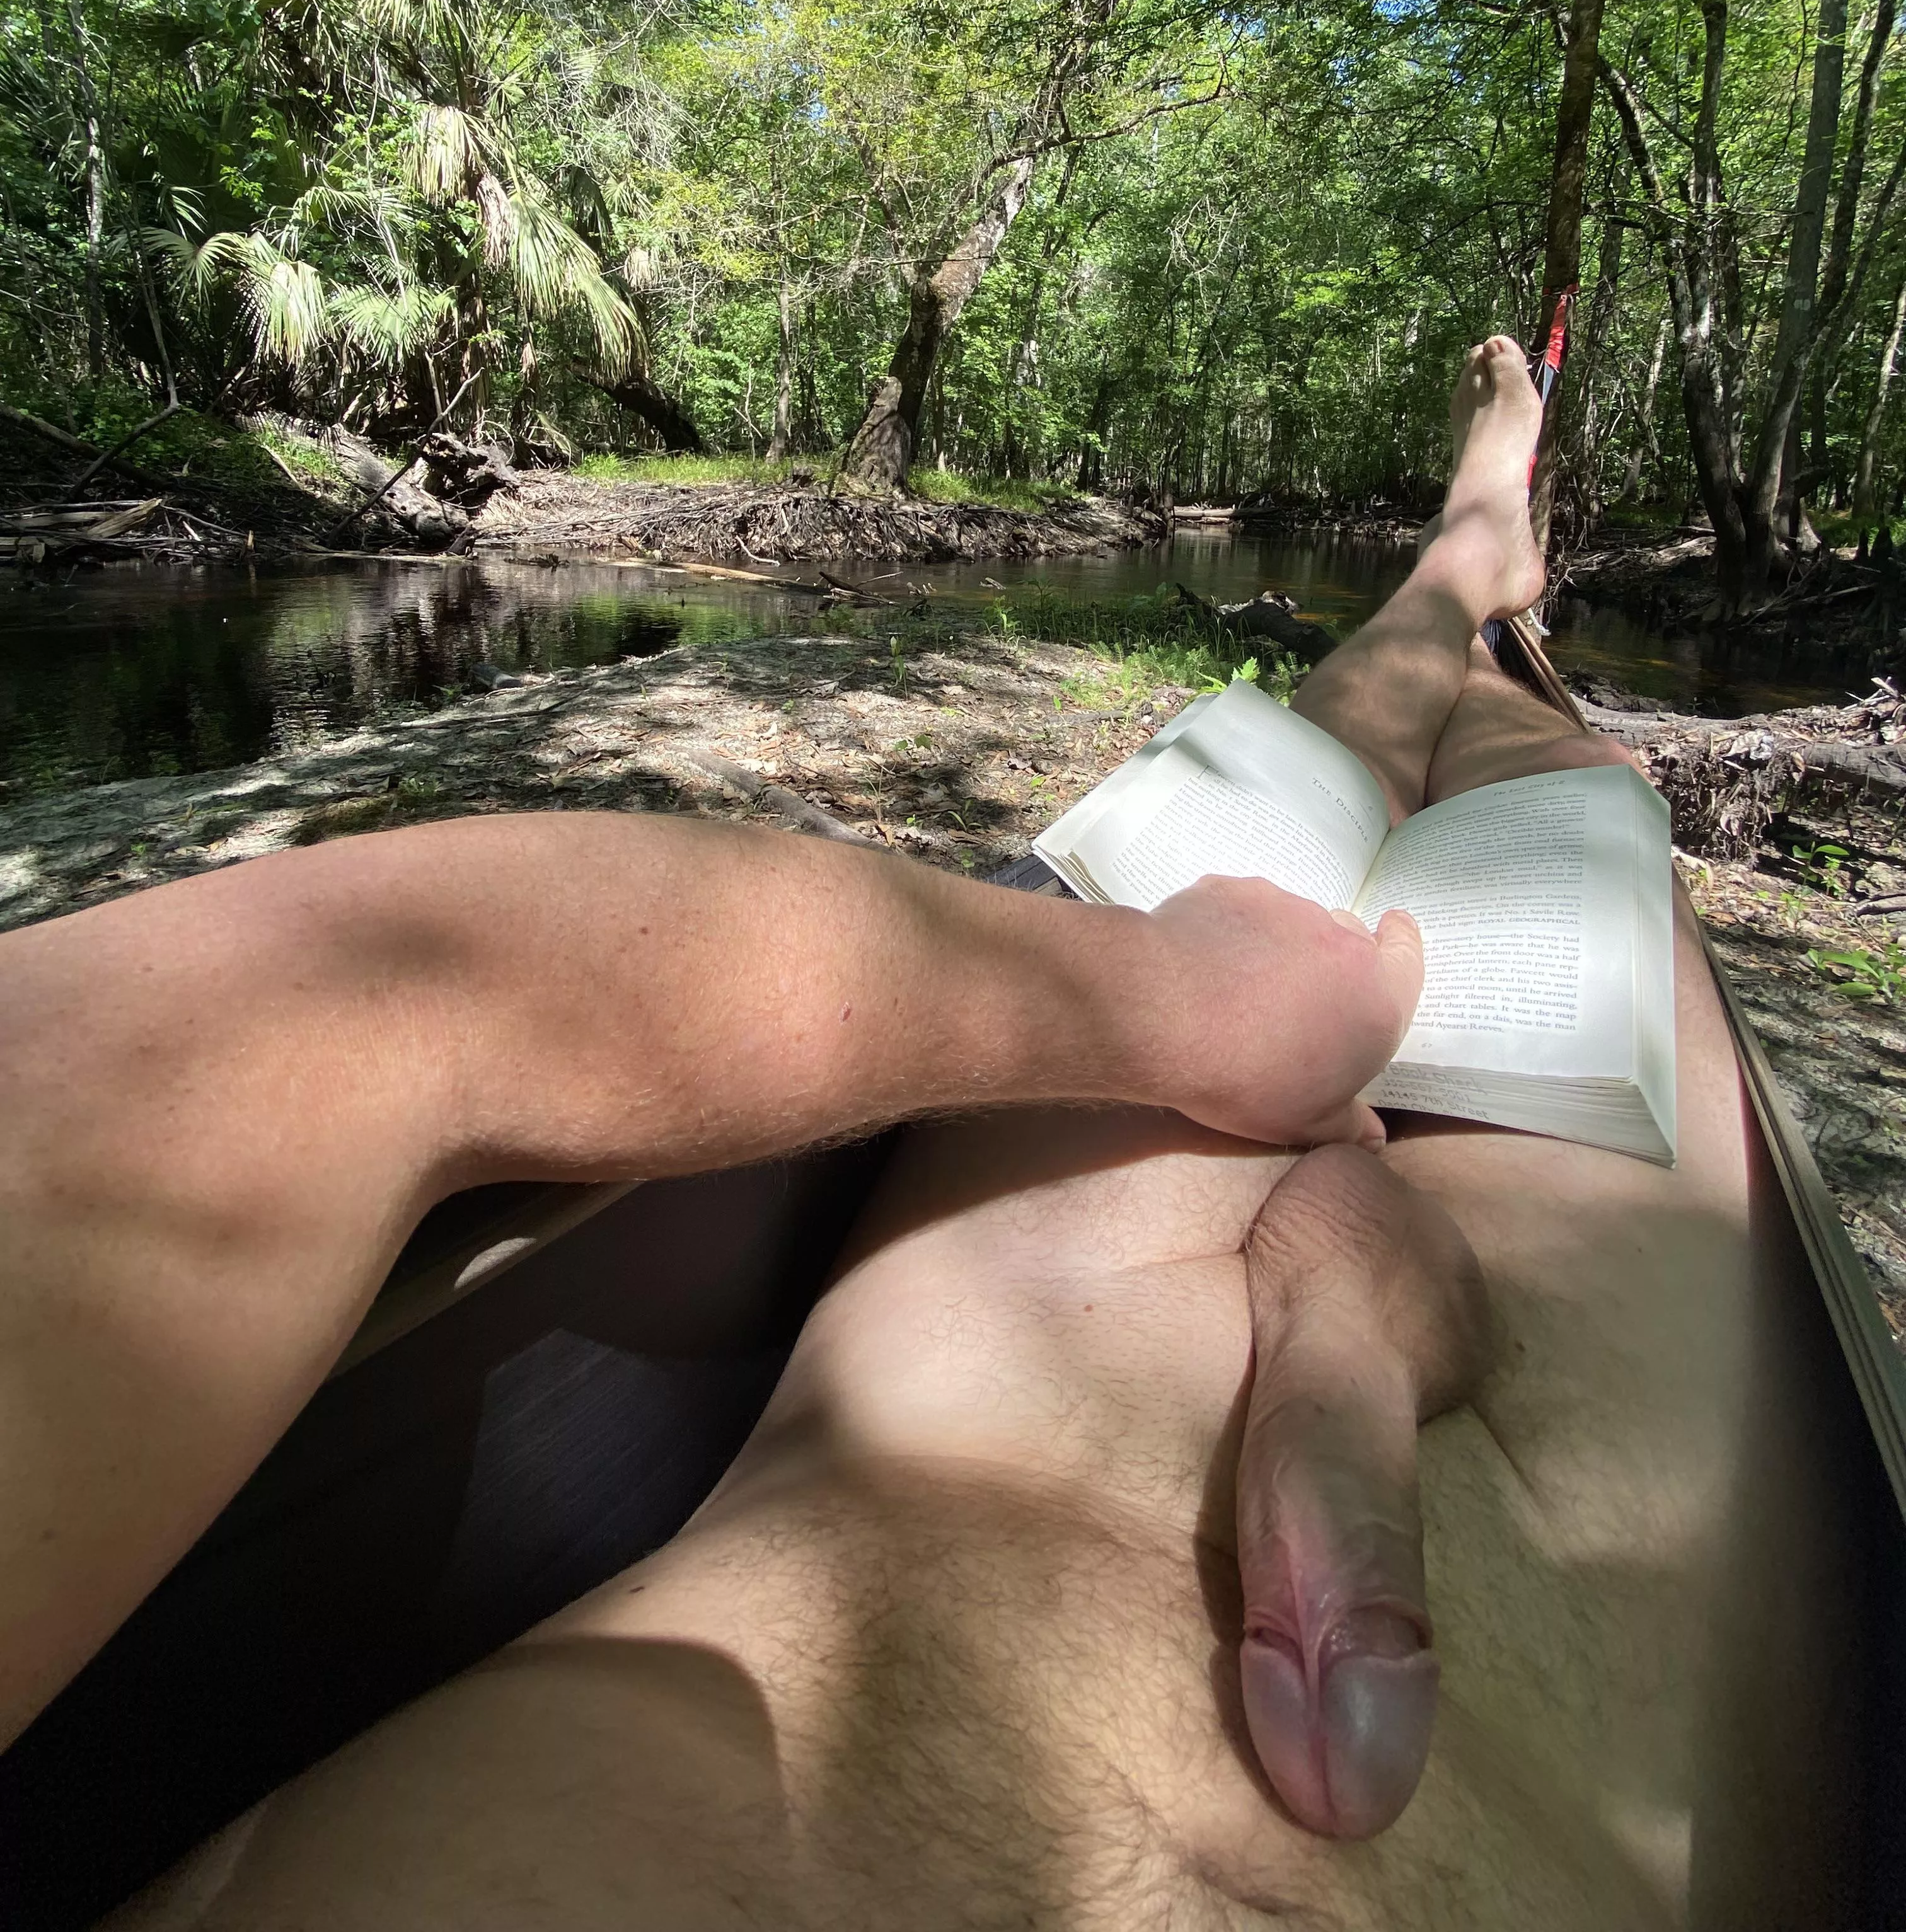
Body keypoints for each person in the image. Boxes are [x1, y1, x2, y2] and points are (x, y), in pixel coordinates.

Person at [1, 343, 1874, 1928]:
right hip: (1469, 1369)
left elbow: (359, 1001)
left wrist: (1188, 1009)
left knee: (1341, 736)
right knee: (1559, 791)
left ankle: (1462, 565)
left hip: (1087, 1184)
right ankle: (1480, 594)